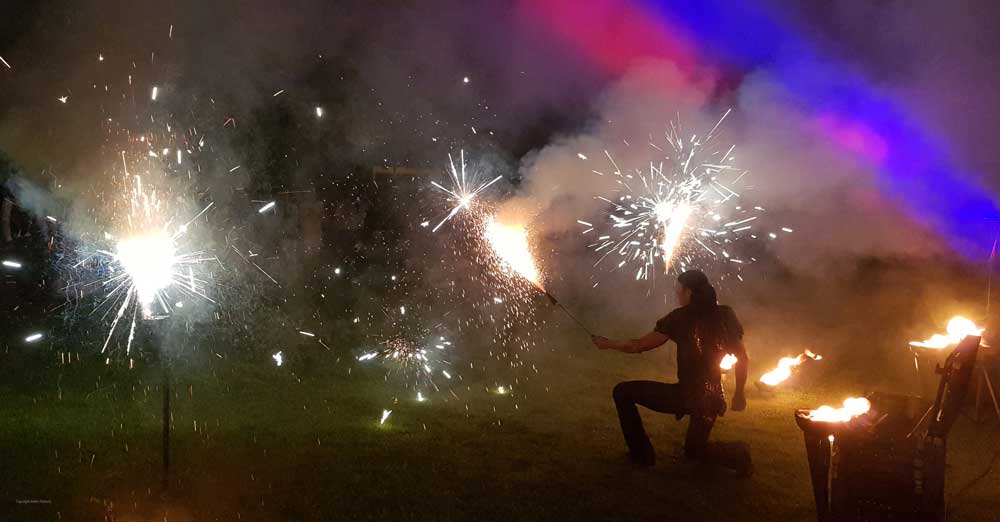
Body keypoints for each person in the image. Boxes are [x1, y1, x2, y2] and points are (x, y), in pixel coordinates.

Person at [591, 269, 752, 474]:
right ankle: (739, 454)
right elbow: (742, 358)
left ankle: (643, 456)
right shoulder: (725, 313)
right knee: (694, 452)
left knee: (623, 392)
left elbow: (639, 345)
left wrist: (608, 344)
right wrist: (739, 394)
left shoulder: (680, 317)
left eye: (679, 290)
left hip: (690, 397)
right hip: (707, 398)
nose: (677, 294)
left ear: (689, 292)